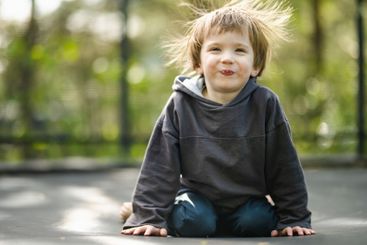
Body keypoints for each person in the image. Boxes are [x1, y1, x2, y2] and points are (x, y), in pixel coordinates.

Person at [121, 0, 315, 237]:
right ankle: (154, 212)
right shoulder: (181, 104)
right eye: (215, 49)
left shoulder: (265, 104)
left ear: (256, 65)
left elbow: (284, 164)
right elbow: (160, 164)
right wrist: (148, 215)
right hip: (197, 200)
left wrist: (294, 218)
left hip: (246, 200)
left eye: (240, 50)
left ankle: (232, 221)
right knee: (195, 222)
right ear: (197, 63)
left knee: (259, 222)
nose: (227, 58)